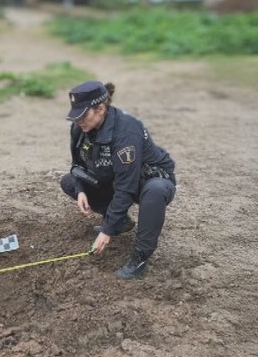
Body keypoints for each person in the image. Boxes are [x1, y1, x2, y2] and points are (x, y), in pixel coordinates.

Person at [60, 80, 177, 280]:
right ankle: (120, 222)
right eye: (75, 115)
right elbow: (77, 165)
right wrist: (80, 189)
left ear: (100, 109)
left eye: (83, 115)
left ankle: (140, 257)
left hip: (146, 178)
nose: (78, 120)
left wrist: (106, 231)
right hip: (114, 175)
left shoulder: (126, 132)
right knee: (69, 181)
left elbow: (127, 187)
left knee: (155, 190)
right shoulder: (80, 128)